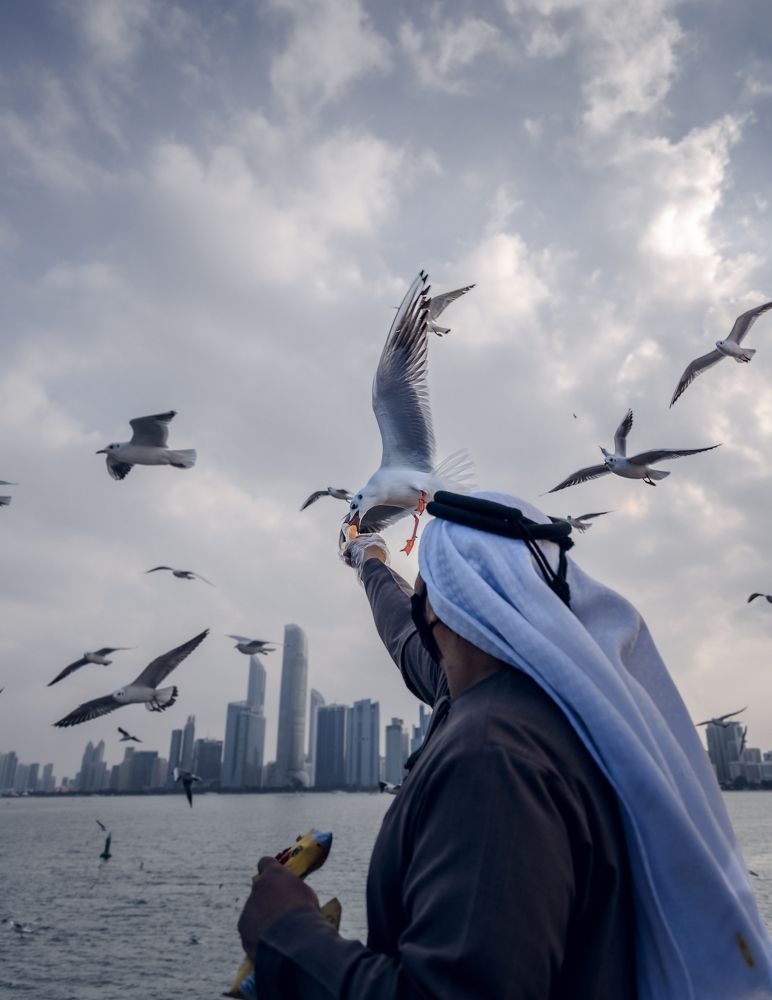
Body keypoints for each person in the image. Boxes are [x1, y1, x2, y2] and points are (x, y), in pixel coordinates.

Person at [238, 492, 772, 999]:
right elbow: (405, 636)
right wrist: (369, 559)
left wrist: (286, 933)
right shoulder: (552, 707)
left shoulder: (492, 756)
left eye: (425, 595)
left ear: (438, 611)